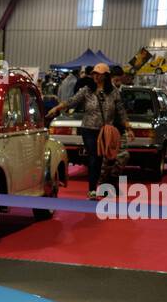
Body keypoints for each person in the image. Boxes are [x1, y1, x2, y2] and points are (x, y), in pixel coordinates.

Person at [47, 62, 129, 199]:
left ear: (106, 76)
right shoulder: (86, 90)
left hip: (106, 131)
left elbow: (121, 111)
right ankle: (92, 190)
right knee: (94, 158)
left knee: (107, 159)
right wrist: (56, 108)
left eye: (99, 74)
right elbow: (72, 101)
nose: (95, 76)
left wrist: (128, 128)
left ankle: (104, 185)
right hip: (89, 129)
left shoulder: (113, 92)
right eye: (94, 74)